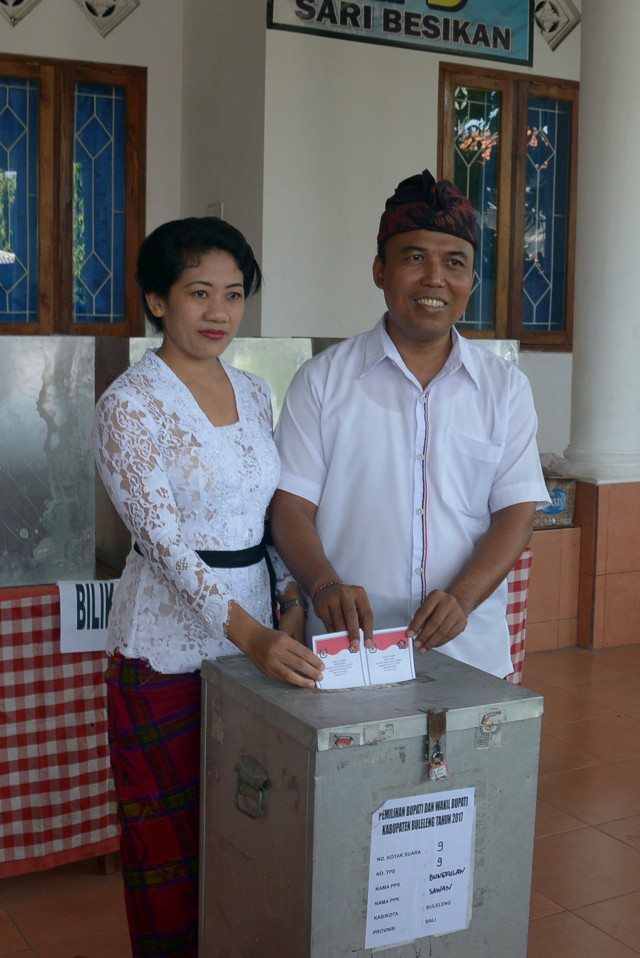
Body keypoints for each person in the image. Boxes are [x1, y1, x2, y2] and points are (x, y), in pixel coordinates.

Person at [93, 217, 323, 958]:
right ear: (158, 300)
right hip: (167, 646)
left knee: (244, 823)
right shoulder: (129, 404)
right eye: (199, 293)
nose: (219, 312)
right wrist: (250, 635)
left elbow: (270, 513)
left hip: (256, 639)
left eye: (233, 294)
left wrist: (286, 602)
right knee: (167, 844)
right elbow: (163, 545)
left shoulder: (255, 392)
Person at [271, 168, 549, 679]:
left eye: (455, 263)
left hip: (468, 649)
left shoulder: (505, 390)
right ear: (380, 269)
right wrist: (324, 584)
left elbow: (516, 511)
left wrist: (463, 599)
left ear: (471, 279)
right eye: (415, 257)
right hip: (350, 653)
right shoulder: (322, 382)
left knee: (469, 760)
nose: (435, 279)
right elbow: (290, 506)